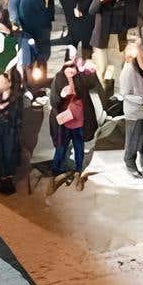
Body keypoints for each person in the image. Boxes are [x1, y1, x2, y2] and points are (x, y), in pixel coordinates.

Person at [45, 59, 97, 189]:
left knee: (79, 146)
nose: (71, 70)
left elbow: (90, 84)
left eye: (73, 67)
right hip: (65, 121)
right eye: (68, 67)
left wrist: (90, 72)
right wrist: (63, 94)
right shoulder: (58, 78)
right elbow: (54, 101)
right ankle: (56, 170)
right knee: (61, 147)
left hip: (78, 120)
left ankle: (78, 170)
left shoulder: (79, 77)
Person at [117, 38, 143, 178]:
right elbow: (124, 94)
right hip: (134, 112)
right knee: (133, 139)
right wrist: (142, 100)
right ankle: (129, 161)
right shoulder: (128, 70)